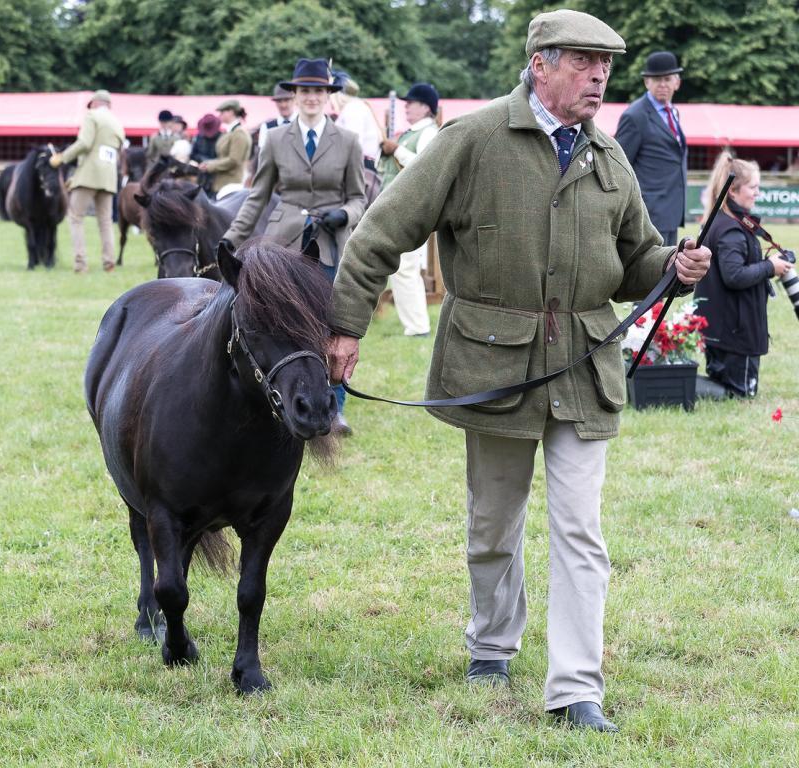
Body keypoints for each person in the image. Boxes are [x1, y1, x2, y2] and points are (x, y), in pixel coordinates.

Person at [326, 10, 711, 731]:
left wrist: (675, 269)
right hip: (494, 366)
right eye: (584, 62)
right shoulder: (469, 141)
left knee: (579, 531)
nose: (600, 76)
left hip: (585, 369)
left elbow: (637, 263)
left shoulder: (608, 156)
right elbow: (380, 232)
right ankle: (492, 644)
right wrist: (345, 326)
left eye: (607, 65)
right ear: (541, 63)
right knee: (493, 525)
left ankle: (575, 691)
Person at [222, 57, 366, 436]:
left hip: (331, 244)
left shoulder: (349, 141)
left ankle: (334, 405)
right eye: (305, 91)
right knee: (285, 328)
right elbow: (258, 195)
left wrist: (344, 213)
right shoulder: (272, 138)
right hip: (285, 244)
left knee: (332, 326)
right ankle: (285, 395)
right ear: (295, 94)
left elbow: (359, 197)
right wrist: (232, 238)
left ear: (328, 95)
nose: (312, 97)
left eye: (319, 91)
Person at [693, 153, 790, 397]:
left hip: (722, 329)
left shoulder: (722, 221)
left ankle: (686, 387)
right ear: (733, 192)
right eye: (753, 187)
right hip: (735, 333)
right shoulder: (731, 229)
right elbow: (734, 276)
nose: (758, 192)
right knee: (739, 394)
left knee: (724, 383)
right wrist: (770, 268)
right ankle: (682, 388)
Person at [376, 83, 440, 338]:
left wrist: (397, 150)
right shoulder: (409, 133)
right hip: (395, 204)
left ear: (425, 107)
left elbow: (425, 167)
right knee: (402, 267)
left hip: (411, 206)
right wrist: (385, 154)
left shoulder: (429, 133)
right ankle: (415, 325)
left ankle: (418, 327)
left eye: (410, 103)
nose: (406, 106)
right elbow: (386, 171)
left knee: (405, 267)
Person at [615, 51, 688, 246]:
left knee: (669, 270)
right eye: (656, 79)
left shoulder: (673, 112)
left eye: (667, 79)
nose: (662, 84)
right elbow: (618, 166)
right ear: (647, 82)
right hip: (648, 214)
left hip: (671, 211)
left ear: (677, 83)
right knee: (652, 273)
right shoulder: (635, 116)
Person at [50, 89, 124, 273]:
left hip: (89, 177)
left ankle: (80, 263)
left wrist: (62, 157)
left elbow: (85, 143)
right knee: (106, 221)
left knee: (76, 217)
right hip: (108, 177)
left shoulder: (92, 116)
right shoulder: (117, 123)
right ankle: (109, 263)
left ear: (94, 103)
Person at [199, 99, 252, 198]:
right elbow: (223, 157)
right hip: (222, 183)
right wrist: (209, 163)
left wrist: (210, 166)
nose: (219, 115)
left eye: (222, 112)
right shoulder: (230, 132)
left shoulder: (239, 133)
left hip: (231, 184)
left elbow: (234, 160)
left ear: (231, 112)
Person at [257, 84, 297, 152]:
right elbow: (263, 154)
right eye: (279, 101)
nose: (283, 105)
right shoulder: (267, 127)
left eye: (286, 100)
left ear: (294, 100)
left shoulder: (303, 124)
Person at [191, 114, 222, 197]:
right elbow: (193, 154)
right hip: (202, 175)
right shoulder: (199, 137)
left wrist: (211, 163)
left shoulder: (222, 138)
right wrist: (203, 160)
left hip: (217, 175)